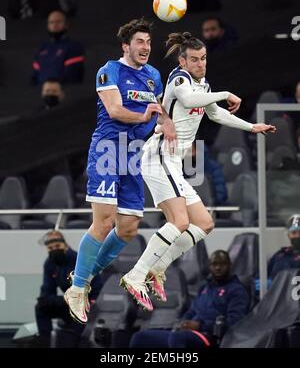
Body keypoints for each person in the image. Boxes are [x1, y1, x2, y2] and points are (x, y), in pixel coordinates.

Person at [120, 31, 276, 311]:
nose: (201, 64)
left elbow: (215, 114)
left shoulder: (203, 84)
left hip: (173, 164)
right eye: (194, 60)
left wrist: (252, 127)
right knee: (179, 222)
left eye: (203, 59)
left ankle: (158, 268)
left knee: (204, 223)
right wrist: (227, 93)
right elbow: (190, 100)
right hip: (158, 157)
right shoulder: (179, 80)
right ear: (182, 61)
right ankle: (136, 275)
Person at [64, 18, 176, 324]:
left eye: (149, 42)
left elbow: (159, 113)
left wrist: (165, 126)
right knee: (104, 222)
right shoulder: (109, 70)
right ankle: (76, 289)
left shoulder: (153, 75)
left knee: (127, 228)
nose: (145, 48)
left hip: (133, 156)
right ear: (126, 46)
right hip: (108, 150)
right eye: (139, 42)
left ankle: (84, 276)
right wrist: (145, 117)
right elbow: (114, 110)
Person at [130, 250, 249, 348]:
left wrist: (200, 326)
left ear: (229, 265)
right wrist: (183, 322)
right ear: (209, 266)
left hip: (211, 337)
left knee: (178, 338)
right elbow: (191, 311)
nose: (218, 268)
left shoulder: (237, 290)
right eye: (214, 264)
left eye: (222, 264)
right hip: (188, 332)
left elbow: (235, 322)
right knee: (140, 338)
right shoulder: (205, 288)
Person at [34, 230, 102, 347]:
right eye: (50, 248)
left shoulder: (80, 260)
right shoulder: (50, 263)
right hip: (69, 302)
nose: (54, 249)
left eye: (57, 246)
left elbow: (92, 289)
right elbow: (47, 290)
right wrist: (45, 300)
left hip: (86, 303)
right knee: (41, 307)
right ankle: (45, 342)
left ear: (65, 245)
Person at [32, 10, 85, 85]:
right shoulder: (42, 48)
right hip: (40, 91)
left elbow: (72, 75)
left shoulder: (74, 46)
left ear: (66, 24)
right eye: (51, 22)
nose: (54, 25)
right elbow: (35, 76)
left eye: (58, 22)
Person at [268, 214, 300, 280]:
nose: (297, 236)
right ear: (288, 235)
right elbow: (265, 275)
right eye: (294, 233)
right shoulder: (280, 256)